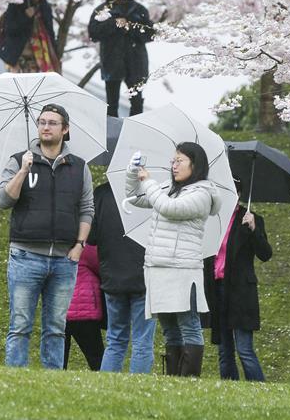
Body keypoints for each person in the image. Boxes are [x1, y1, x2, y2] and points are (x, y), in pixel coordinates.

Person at [0, 103, 94, 369]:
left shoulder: (79, 167)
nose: (46, 127)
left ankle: (52, 380)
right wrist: (24, 170)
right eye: (42, 122)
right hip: (26, 256)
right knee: (20, 324)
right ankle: (15, 377)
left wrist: (79, 246)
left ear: (65, 129)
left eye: (52, 122)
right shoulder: (19, 160)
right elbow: (4, 200)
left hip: (64, 260)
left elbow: (86, 209)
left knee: (56, 327)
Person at [125, 142, 221, 377]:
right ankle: (173, 379)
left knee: (189, 325)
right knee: (168, 328)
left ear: (195, 165)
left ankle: (188, 379)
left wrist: (148, 182)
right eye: (173, 160)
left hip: (182, 269)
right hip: (158, 268)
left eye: (180, 161)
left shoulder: (202, 194)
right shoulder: (169, 187)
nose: (174, 165)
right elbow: (134, 197)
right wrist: (132, 173)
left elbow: (169, 208)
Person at [204, 181, 272, 381]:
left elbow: (265, 254)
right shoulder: (212, 219)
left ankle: (260, 391)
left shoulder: (250, 219)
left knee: (244, 349)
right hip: (218, 289)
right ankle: (229, 391)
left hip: (240, 292)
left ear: (240, 194)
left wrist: (254, 229)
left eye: (233, 191)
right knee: (224, 352)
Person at [89, 182, 156, 373]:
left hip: (112, 276)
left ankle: (107, 389)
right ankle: (137, 389)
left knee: (115, 339)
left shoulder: (102, 193)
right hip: (144, 276)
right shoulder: (152, 193)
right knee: (142, 341)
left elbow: (92, 237)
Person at [88, 0, 154, 117]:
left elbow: (150, 34)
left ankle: (134, 134)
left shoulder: (140, 10)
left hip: (136, 63)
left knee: (137, 103)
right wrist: (114, 24)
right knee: (111, 105)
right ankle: (111, 135)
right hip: (112, 62)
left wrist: (130, 27)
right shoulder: (102, 10)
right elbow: (93, 33)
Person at [0, 0, 60, 73]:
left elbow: (50, 33)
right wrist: (25, 17)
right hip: (17, 57)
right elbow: (10, 29)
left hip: (40, 58)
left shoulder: (44, 8)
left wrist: (55, 54)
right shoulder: (16, 4)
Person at [63, 244, 105, 371]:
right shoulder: (86, 248)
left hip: (60, 309)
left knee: (59, 359)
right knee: (96, 358)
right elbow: (101, 266)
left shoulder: (58, 246)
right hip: (84, 311)